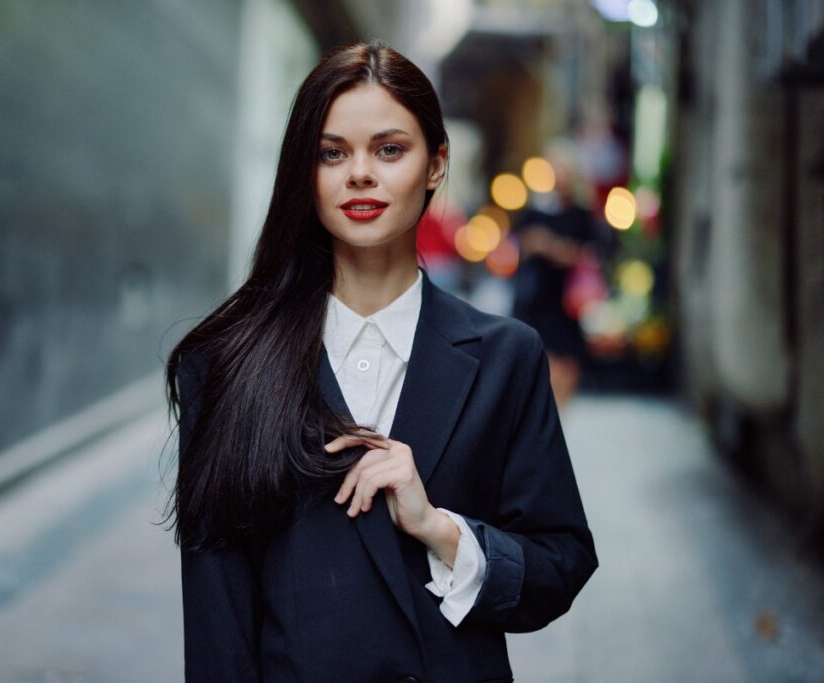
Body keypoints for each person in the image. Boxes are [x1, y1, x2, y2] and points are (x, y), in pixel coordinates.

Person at [166, 41, 597, 682]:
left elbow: (558, 566)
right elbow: (216, 621)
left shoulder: (507, 358)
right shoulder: (227, 362)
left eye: (389, 150)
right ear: (303, 172)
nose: (359, 174)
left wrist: (440, 528)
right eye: (331, 153)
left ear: (435, 164)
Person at [511, 142, 611, 408]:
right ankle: (547, 417)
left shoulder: (581, 214)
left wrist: (549, 246)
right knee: (542, 359)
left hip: (569, 300)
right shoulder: (535, 210)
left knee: (565, 362)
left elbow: (581, 253)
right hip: (538, 297)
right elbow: (519, 244)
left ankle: (556, 417)